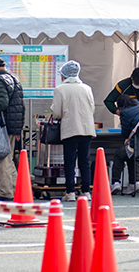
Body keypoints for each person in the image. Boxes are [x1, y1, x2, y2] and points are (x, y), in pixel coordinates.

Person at [50, 60, 96, 202]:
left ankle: (70, 191)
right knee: (84, 161)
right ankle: (86, 191)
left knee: (70, 161)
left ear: (64, 75)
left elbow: (56, 112)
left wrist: (56, 115)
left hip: (70, 128)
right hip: (86, 128)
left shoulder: (60, 89)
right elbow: (92, 108)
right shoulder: (86, 88)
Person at [0, 57, 25, 201]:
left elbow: (1, 104)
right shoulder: (15, 79)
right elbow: (21, 107)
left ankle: (5, 192)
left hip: (2, 127)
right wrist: (18, 128)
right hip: (12, 126)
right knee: (9, 160)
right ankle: (14, 190)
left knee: (0, 160)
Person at [110, 94, 139, 195]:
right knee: (129, 152)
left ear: (121, 107)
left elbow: (125, 133)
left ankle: (116, 183)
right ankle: (134, 183)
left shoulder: (125, 112)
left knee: (119, 154)